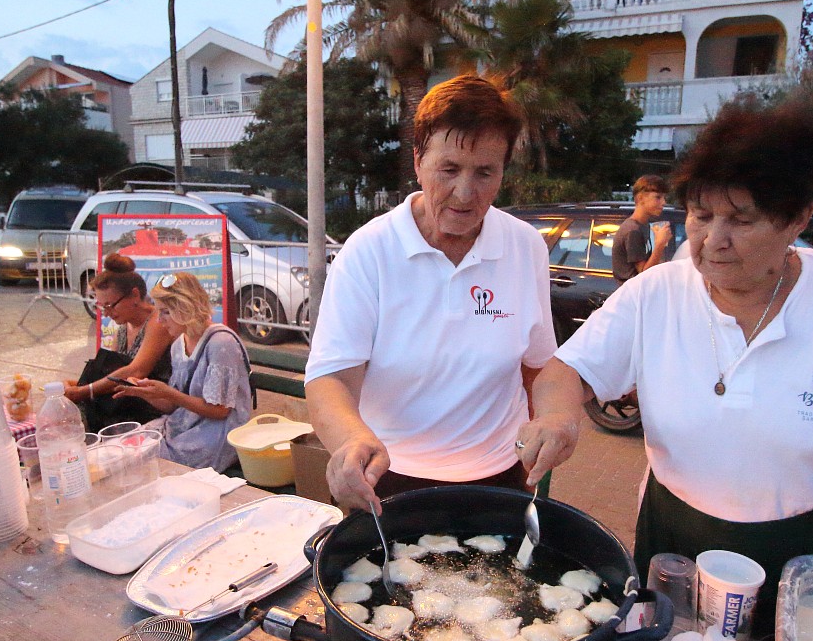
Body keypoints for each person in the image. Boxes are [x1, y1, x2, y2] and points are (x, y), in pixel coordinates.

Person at [517, 101, 813, 639]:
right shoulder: (656, 293)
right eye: (700, 215)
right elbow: (565, 372)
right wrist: (558, 417)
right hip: (676, 540)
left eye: (741, 221)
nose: (713, 240)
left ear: (798, 218)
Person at [305, 75, 557, 512]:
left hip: (500, 475)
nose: (465, 192)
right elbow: (332, 377)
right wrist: (350, 440)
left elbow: (538, 365)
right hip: (387, 474)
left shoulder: (525, 246)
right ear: (418, 160)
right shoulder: (369, 250)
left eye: (485, 172)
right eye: (449, 169)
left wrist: (552, 420)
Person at [115, 272, 252, 471]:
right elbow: (173, 405)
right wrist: (145, 393)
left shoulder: (221, 343)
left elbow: (220, 411)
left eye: (166, 312)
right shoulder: (178, 345)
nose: (159, 321)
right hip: (185, 425)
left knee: (141, 461)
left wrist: (168, 393)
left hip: (217, 433)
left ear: (185, 308)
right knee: (121, 450)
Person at [63, 253, 175, 431]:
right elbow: (111, 372)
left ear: (135, 295)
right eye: (102, 307)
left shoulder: (158, 322)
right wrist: (78, 385)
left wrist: (85, 390)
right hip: (125, 402)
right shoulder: (123, 326)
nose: (106, 313)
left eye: (110, 305)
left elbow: (136, 371)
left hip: (154, 407)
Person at [611, 175, 673, 283]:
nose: (663, 202)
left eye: (664, 198)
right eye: (658, 197)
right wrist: (660, 244)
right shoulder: (632, 230)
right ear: (640, 198)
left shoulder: (643, 225)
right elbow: (644, 274)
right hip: (632, 291)